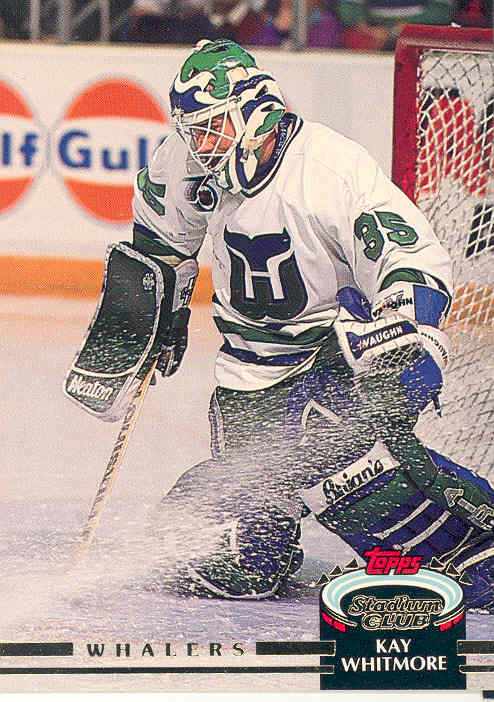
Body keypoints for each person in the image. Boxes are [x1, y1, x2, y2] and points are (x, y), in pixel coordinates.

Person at [88, 39, 494, 604]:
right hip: (246, 380)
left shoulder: (327, 168)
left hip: (329, 362)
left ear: (257, 113)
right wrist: (156, 305)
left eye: (213, 129)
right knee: (225, 557)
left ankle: (470, 540)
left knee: (352, 482)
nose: (202, 147)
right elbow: (161, 242)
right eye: (193, 131)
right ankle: (288, 522)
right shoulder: (182, 158)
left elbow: (409, 255)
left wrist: (410, 330)